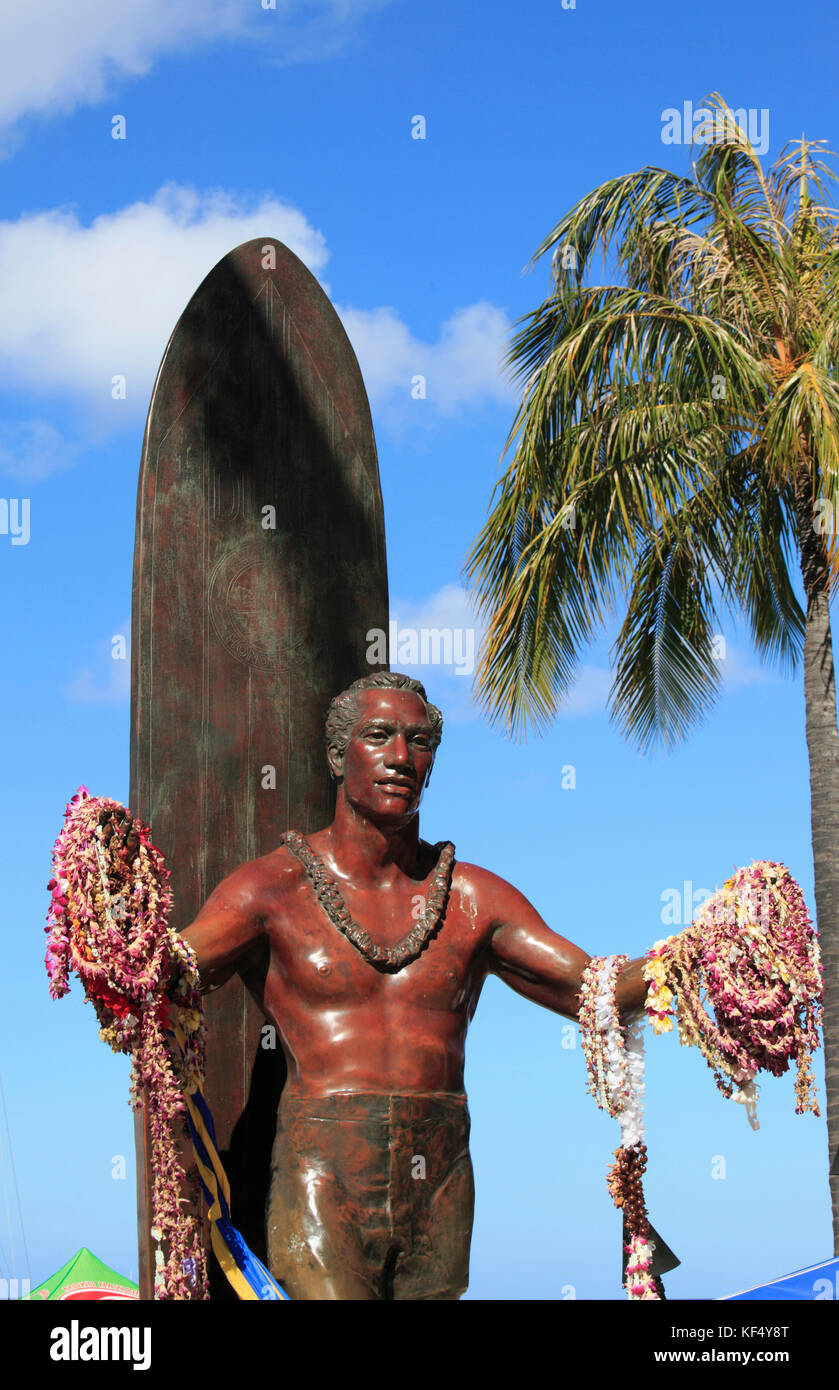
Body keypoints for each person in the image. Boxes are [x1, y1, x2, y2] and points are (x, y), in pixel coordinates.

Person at [106, 671, 650, 1299]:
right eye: (379, 736)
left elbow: (596, 988)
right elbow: (165, 973)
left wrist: (694, 956)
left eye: (419, 742)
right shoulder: (272, 891)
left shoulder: (475, 898)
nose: (400, 757)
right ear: (339, 757)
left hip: (442, 1176)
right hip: (323, 1172)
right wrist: (105, 923)